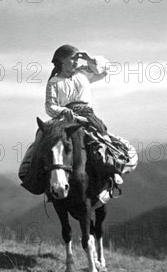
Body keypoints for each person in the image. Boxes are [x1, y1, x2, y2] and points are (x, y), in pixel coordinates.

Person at [19, 44, 117, 207]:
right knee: (43, 137)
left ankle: (110, 174)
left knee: (104, 140)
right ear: (61, 61)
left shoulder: (84, 73)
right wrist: (64, 111)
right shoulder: (54, 81)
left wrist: (89, 59)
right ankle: (34, 174)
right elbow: (50, 106)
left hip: (88, 117)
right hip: (66, 118)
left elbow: (106, 69)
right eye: (72, 58)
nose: (75, 61)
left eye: (76, 58)